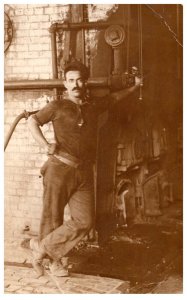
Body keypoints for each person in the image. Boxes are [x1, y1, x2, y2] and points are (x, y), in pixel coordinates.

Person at [27, 60, 103, 277]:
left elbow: (115, 99)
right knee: (52, 217)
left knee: (85, 220)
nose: (76, 84)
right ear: (65, 84)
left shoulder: (92, 107)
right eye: (71, 80)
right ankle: (54, 263)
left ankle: (41, 248)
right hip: (59, 169)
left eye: (79, 79)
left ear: (85, 81)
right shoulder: (57, 106)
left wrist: (135, 86)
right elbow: (32, 120)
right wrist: (45, 145)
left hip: (84, 172)